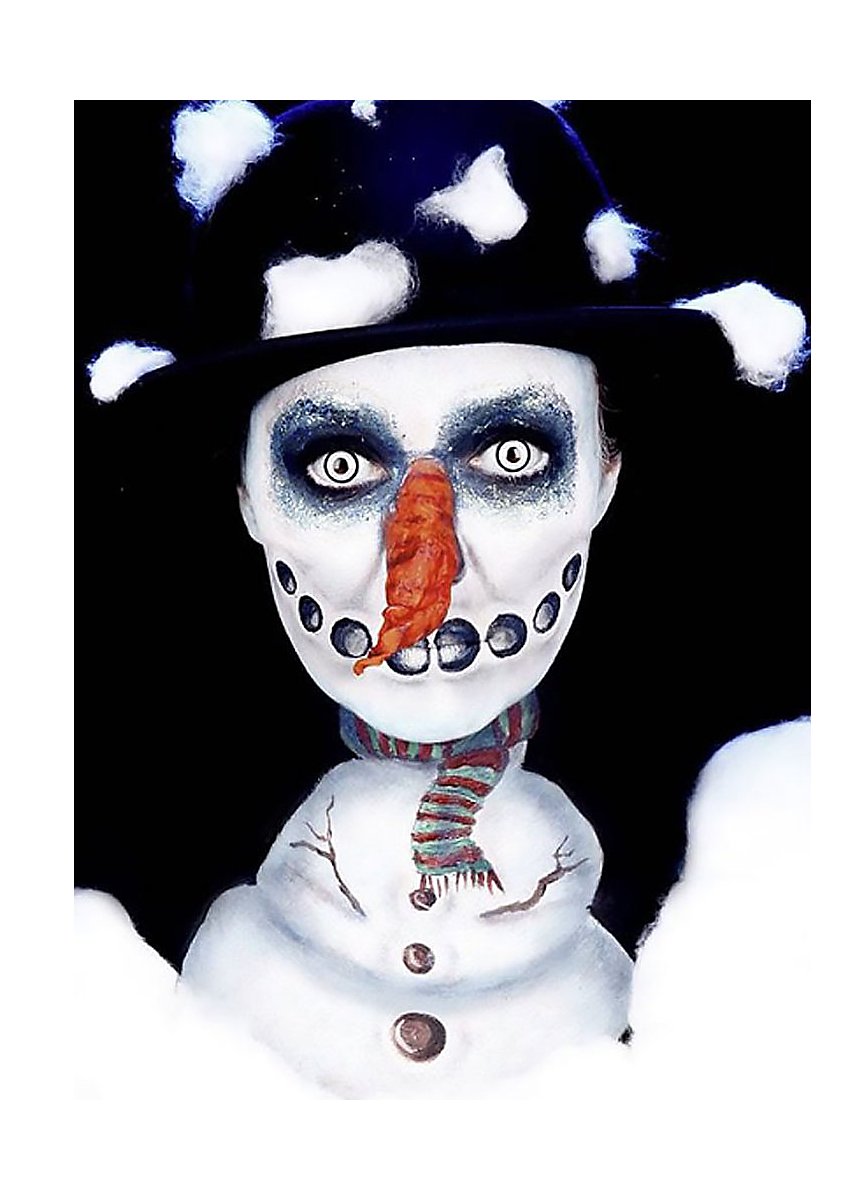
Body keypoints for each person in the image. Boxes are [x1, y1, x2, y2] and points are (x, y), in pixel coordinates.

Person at [77, 101, 808, 1095]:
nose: (428, 573)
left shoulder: (787, 848)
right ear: (247, 494)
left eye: (510, 455)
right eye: (338, 463)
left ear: (605, 473)